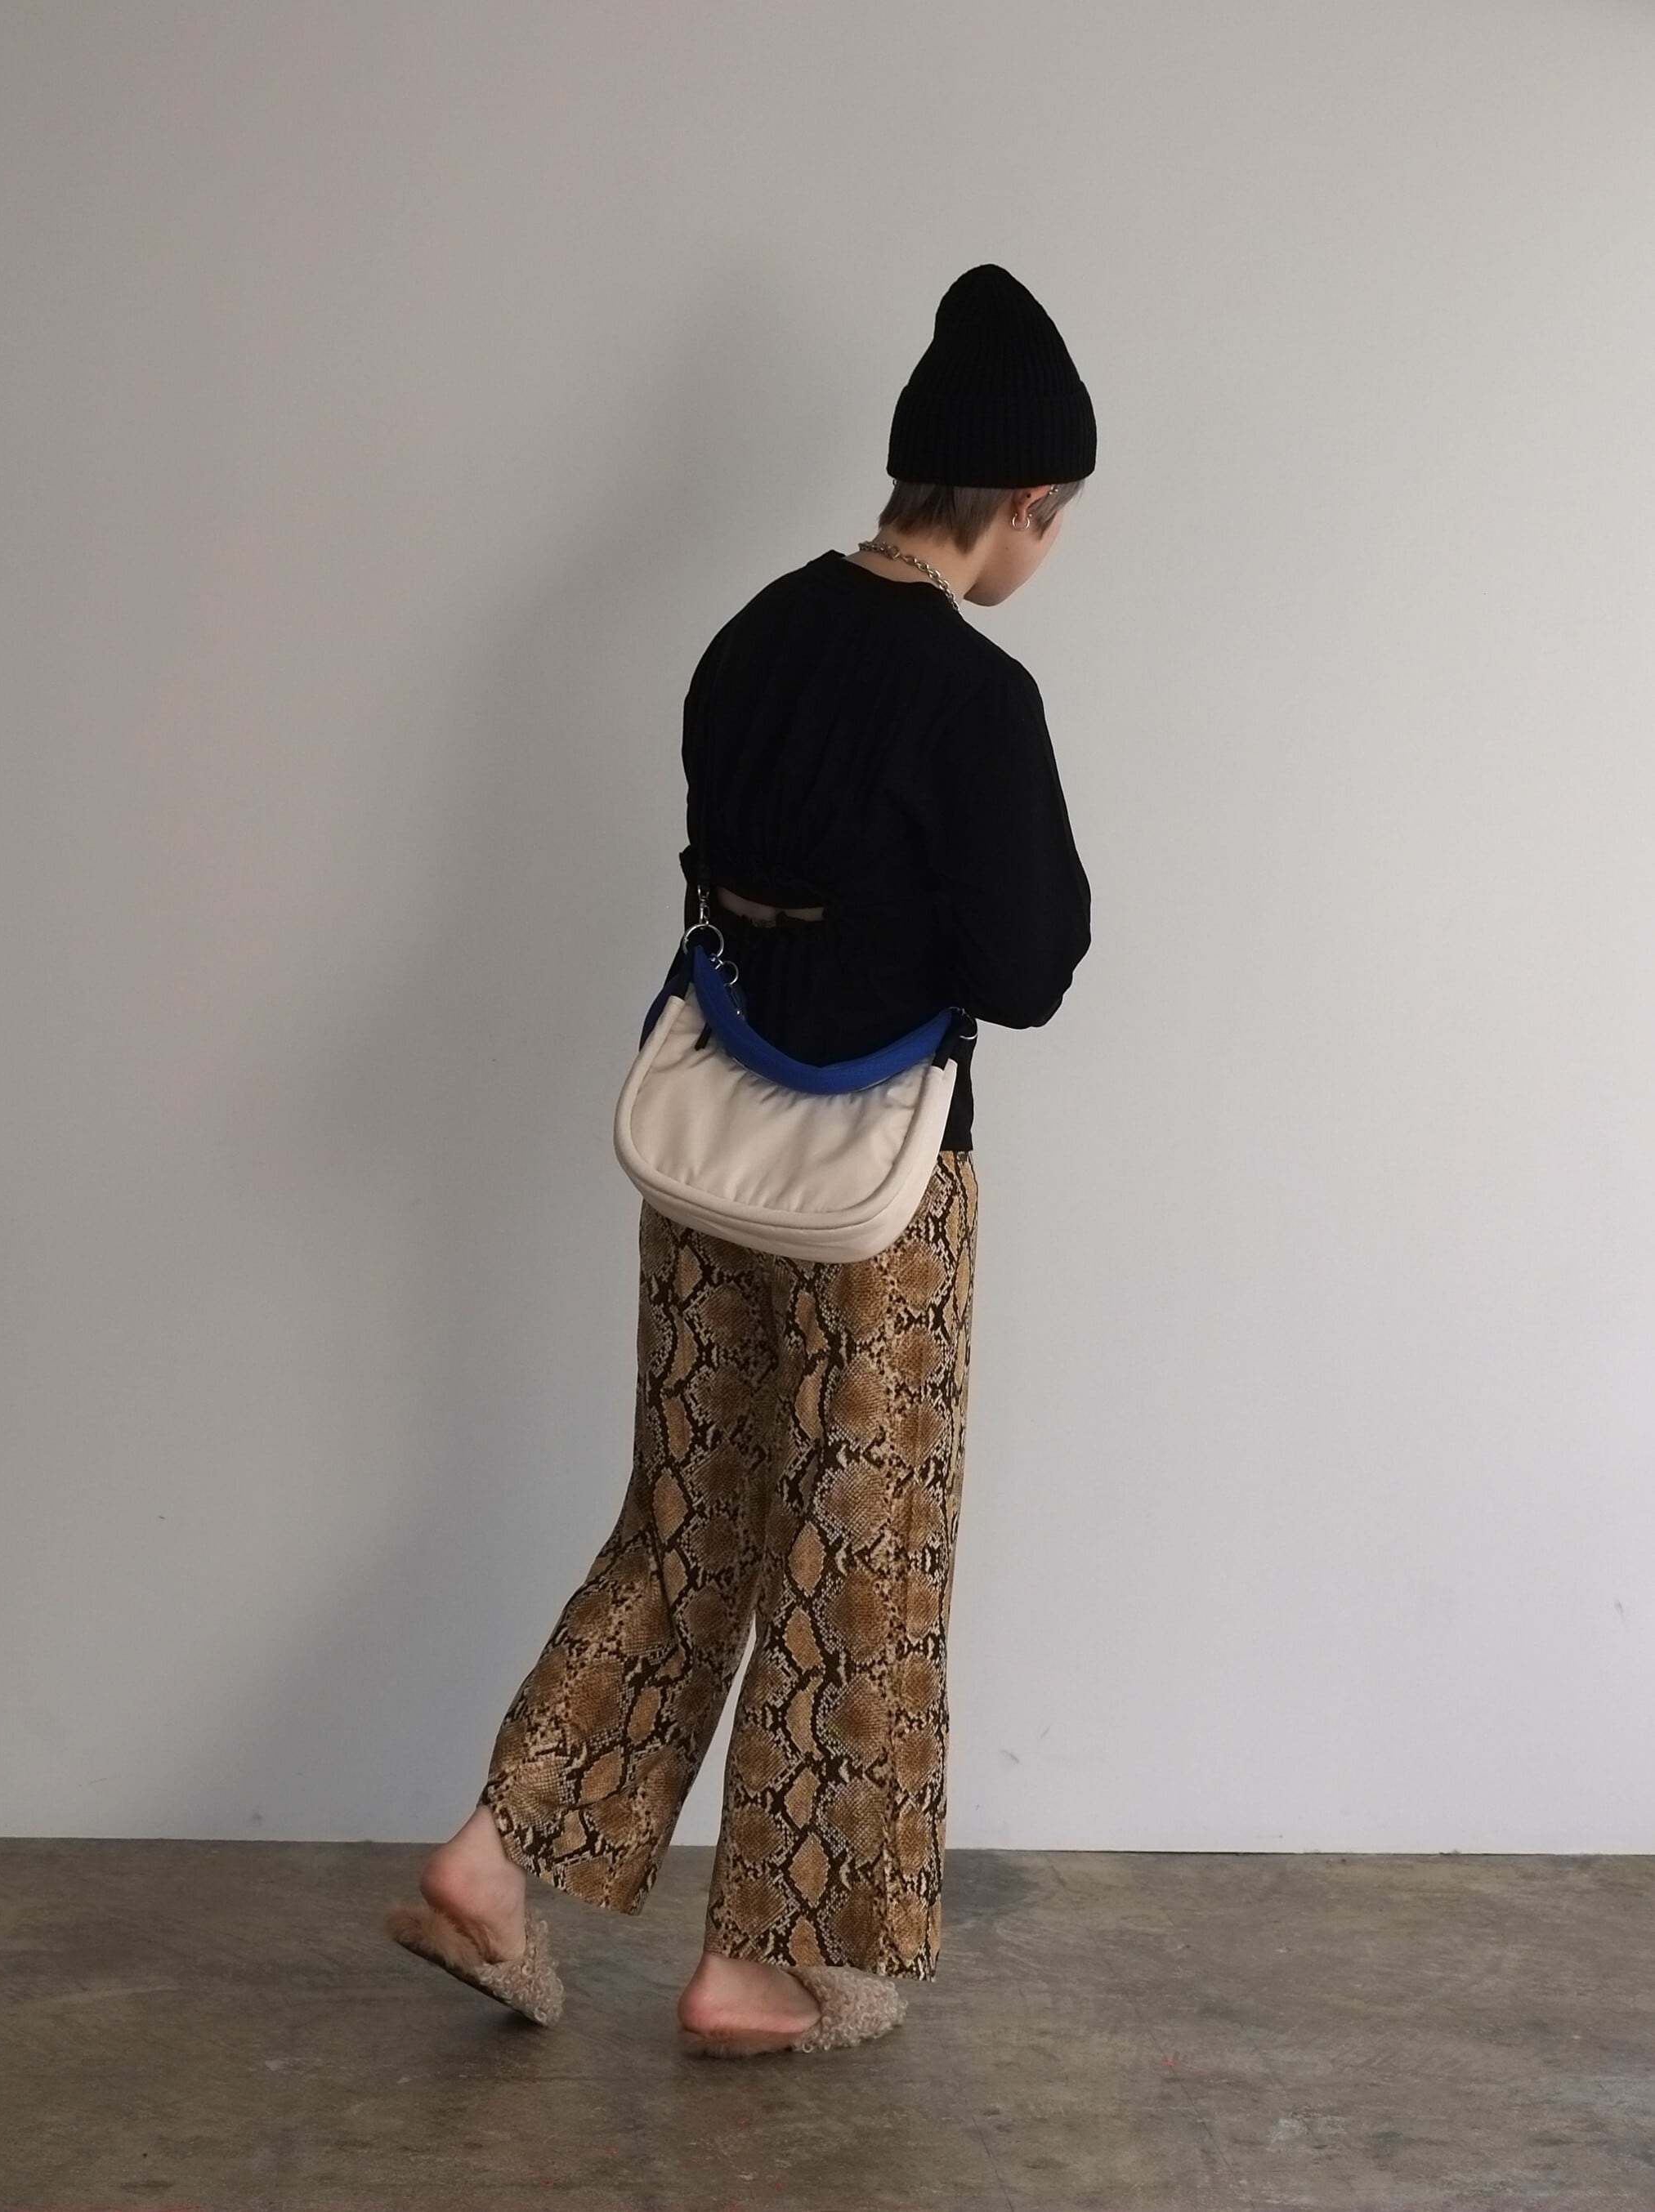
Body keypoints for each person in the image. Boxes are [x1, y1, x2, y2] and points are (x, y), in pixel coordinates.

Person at [385, 264, 1095, 2057]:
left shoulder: (752, 635)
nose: (1053, 549)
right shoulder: (976, 699)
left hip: (709, 1160)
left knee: (688, 1519)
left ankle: (491, 1854)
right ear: (1024, 499)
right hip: (875, 1199)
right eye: (1060, 517)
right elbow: (1027, 969)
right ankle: (760, 1965)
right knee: (860, 1551)